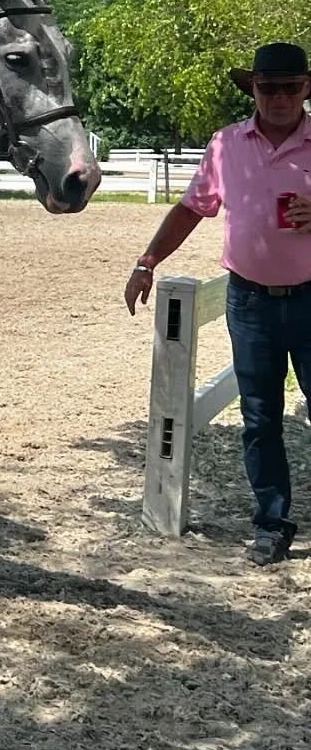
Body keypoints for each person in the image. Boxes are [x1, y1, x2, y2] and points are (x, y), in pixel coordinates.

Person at [125, 41, 311, 566]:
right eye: (267, 86)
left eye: (289, 87)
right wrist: (147, 262)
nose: (278, 97)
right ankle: (272, 524)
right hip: (249, 302)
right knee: (260, 418)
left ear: (306, 89)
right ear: (253, 88)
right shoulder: (226, 145)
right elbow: (191, 209)